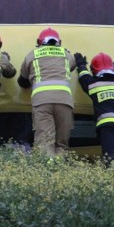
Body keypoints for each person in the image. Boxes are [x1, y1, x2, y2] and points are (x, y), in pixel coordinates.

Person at [17, 27, 76, 157]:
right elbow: (73, 66)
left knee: (44, 142)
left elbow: (22, 81)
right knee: (61, 144)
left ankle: (47, 170)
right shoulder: (66, 55)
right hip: (64, 102)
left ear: (39, 42)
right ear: (59, 42)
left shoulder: (32, 55)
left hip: (42, 102)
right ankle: (59, 171)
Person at [74, 52, 114, 167]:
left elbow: (84, 78)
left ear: (94, 71)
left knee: (111, 157)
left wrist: (81, 66)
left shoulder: (94, 84)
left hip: (108, 124)